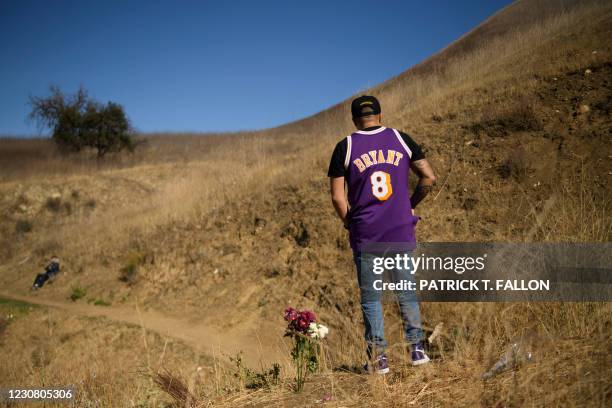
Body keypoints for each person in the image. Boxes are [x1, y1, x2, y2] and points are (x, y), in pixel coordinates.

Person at [327, 95, 436, 374]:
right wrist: (409, 205)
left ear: (354, 120)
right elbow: (428, 177)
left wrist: (350, 222)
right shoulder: (401, 139)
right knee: (405, 291)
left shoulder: (346, 147)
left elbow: (338, 198)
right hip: (399, 229)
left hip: (367, 233)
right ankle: (417, 350)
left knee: (372, 297)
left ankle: (379, 360)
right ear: (380, 115)